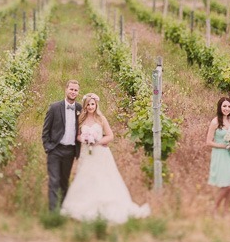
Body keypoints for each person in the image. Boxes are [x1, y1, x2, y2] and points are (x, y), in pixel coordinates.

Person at [60, 93, 150, 224]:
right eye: (88, 105)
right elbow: (77, 135)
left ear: (96, 105)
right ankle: (85, 203)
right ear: (85, 106)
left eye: (92, 104)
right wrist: (84, 139)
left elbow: (110, 136)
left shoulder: (101, 118)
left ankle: (105, 203)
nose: (90, 107)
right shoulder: (81, 119)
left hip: (100, 152)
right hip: (87, 152)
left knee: (103, 176)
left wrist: (97, 141)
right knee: (87, 176)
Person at [41, 79, 81, 211]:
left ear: (78, 92)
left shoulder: (80, 108)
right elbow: (46, 130)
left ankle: (64, 209)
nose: (73, 92)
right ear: (66, 89)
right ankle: (53, 213)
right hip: (55, 150)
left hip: (70, 151)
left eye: (76, 90)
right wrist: (48, 147)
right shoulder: (54, 107)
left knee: (64, 182)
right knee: (54, 180)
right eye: (71, 89)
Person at [206, 96, 230, 216]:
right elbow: (208, 142)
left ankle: (226, 210)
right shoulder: (215, 121)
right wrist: (224, 146)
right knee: (226, 185)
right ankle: (214, 208)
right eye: (224, 106)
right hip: (221, 154)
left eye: (229, 106)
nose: (226, 108)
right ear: (220, 107)